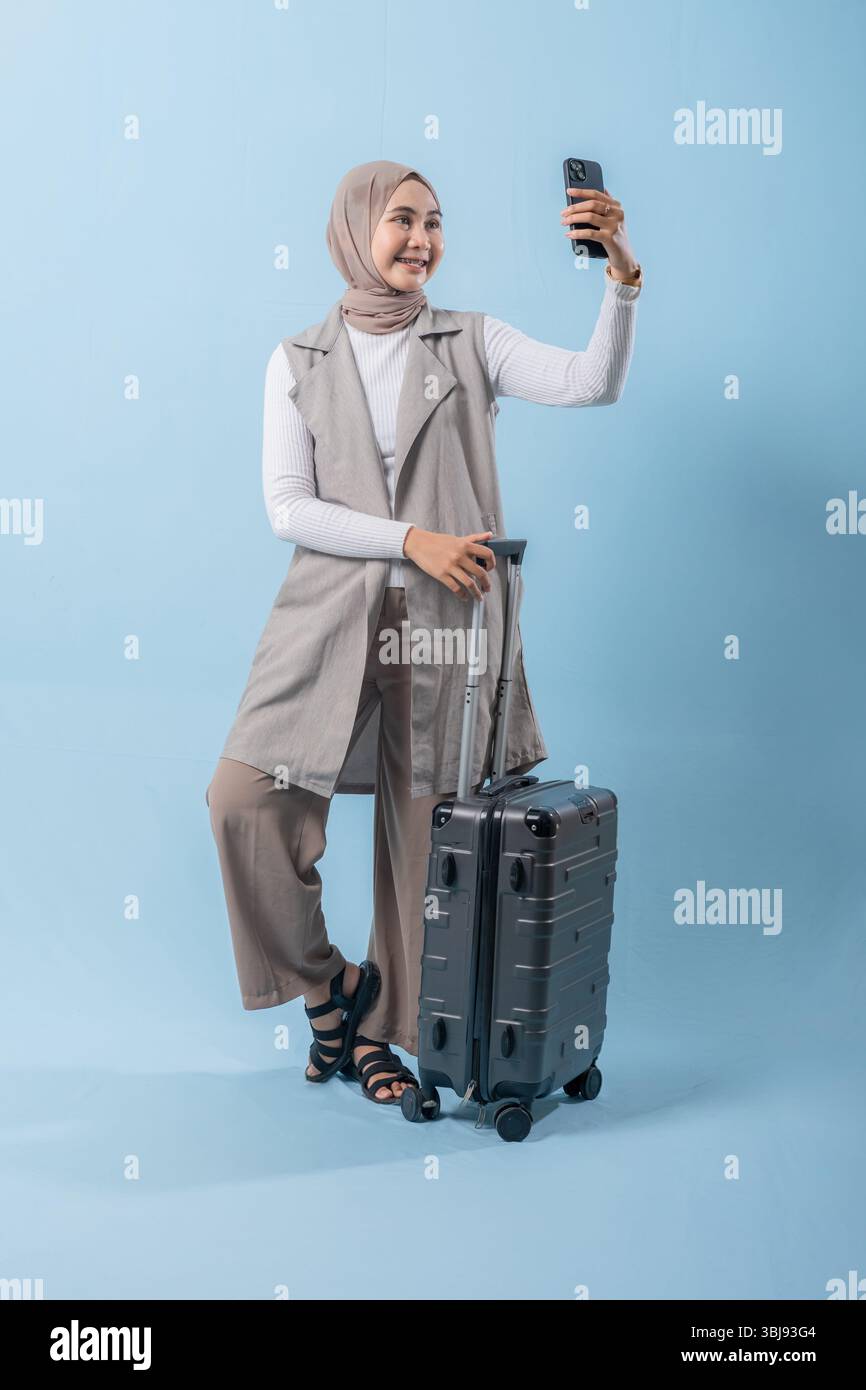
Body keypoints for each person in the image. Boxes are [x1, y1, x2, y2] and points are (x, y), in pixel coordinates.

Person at [206, 160, 641, 1107]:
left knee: (424, 841)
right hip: (326, 617)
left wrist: (620, 278)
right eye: (401, 220)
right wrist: (411, 539)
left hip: (449, 623)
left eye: (435, 223)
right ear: (355, 229)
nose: (421, 240)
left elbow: (590, 383)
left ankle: (385, 1035)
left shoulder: (472, 341)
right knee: (244, 804)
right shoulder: (298, 359)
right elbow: (289, 508)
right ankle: (330, 992)